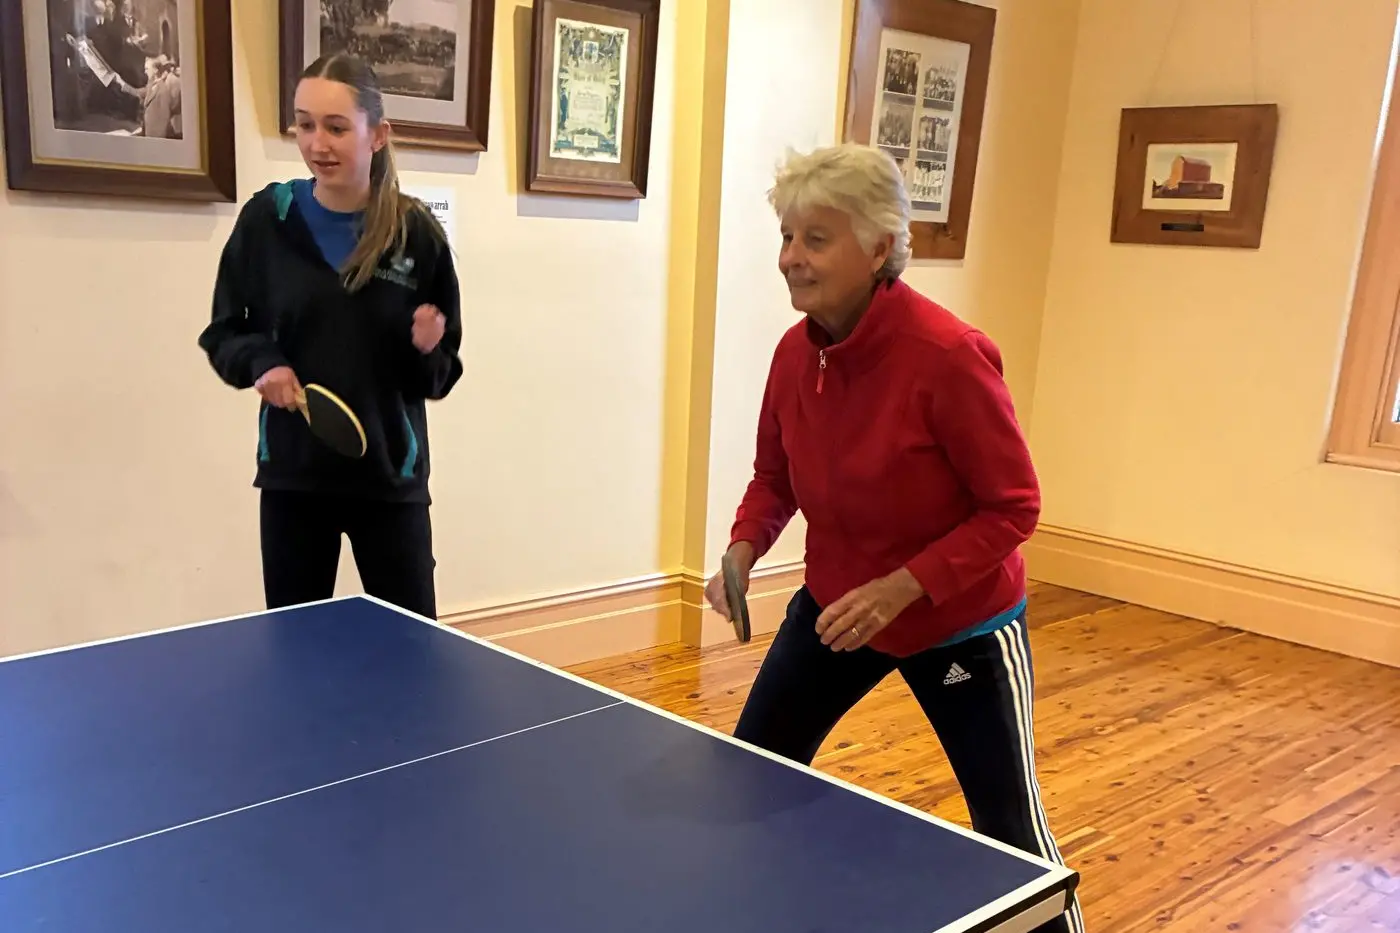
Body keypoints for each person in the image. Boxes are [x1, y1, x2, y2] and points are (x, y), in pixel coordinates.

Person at [704, 143, 1085, 933]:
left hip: (961, 624)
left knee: (1011, 836)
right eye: (787, 236)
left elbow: (1014, 506)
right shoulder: (794, 354)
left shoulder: (948, 356)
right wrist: (742, 548)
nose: (791, 258)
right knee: (750, 775)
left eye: (816, 238)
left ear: (879, 248)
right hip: (838, 611)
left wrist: (903, 587)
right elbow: (774, 477)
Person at [198, 53, 462, 620]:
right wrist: (262, 363)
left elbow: (441, 375)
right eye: (305, 124)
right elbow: (225, 331)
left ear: (377, 135)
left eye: (337, 127)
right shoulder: (268, 220)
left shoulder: (416, 234)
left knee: (409, 651)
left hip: (389, 481)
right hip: (294, 479)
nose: (318, 143)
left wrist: (425, 349)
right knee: (297, 647)